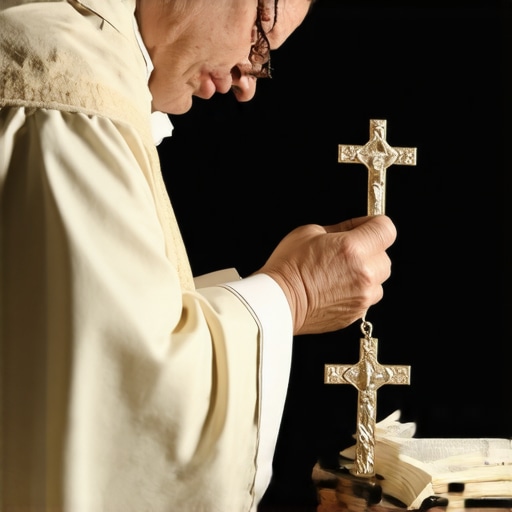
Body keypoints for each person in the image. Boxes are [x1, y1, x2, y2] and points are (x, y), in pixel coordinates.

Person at [0, 0, 397, 510]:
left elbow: (69, 336)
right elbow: (122, 413)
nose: (248, 80)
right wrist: (293, 294)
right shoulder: (63, 90)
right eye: (260, 35)